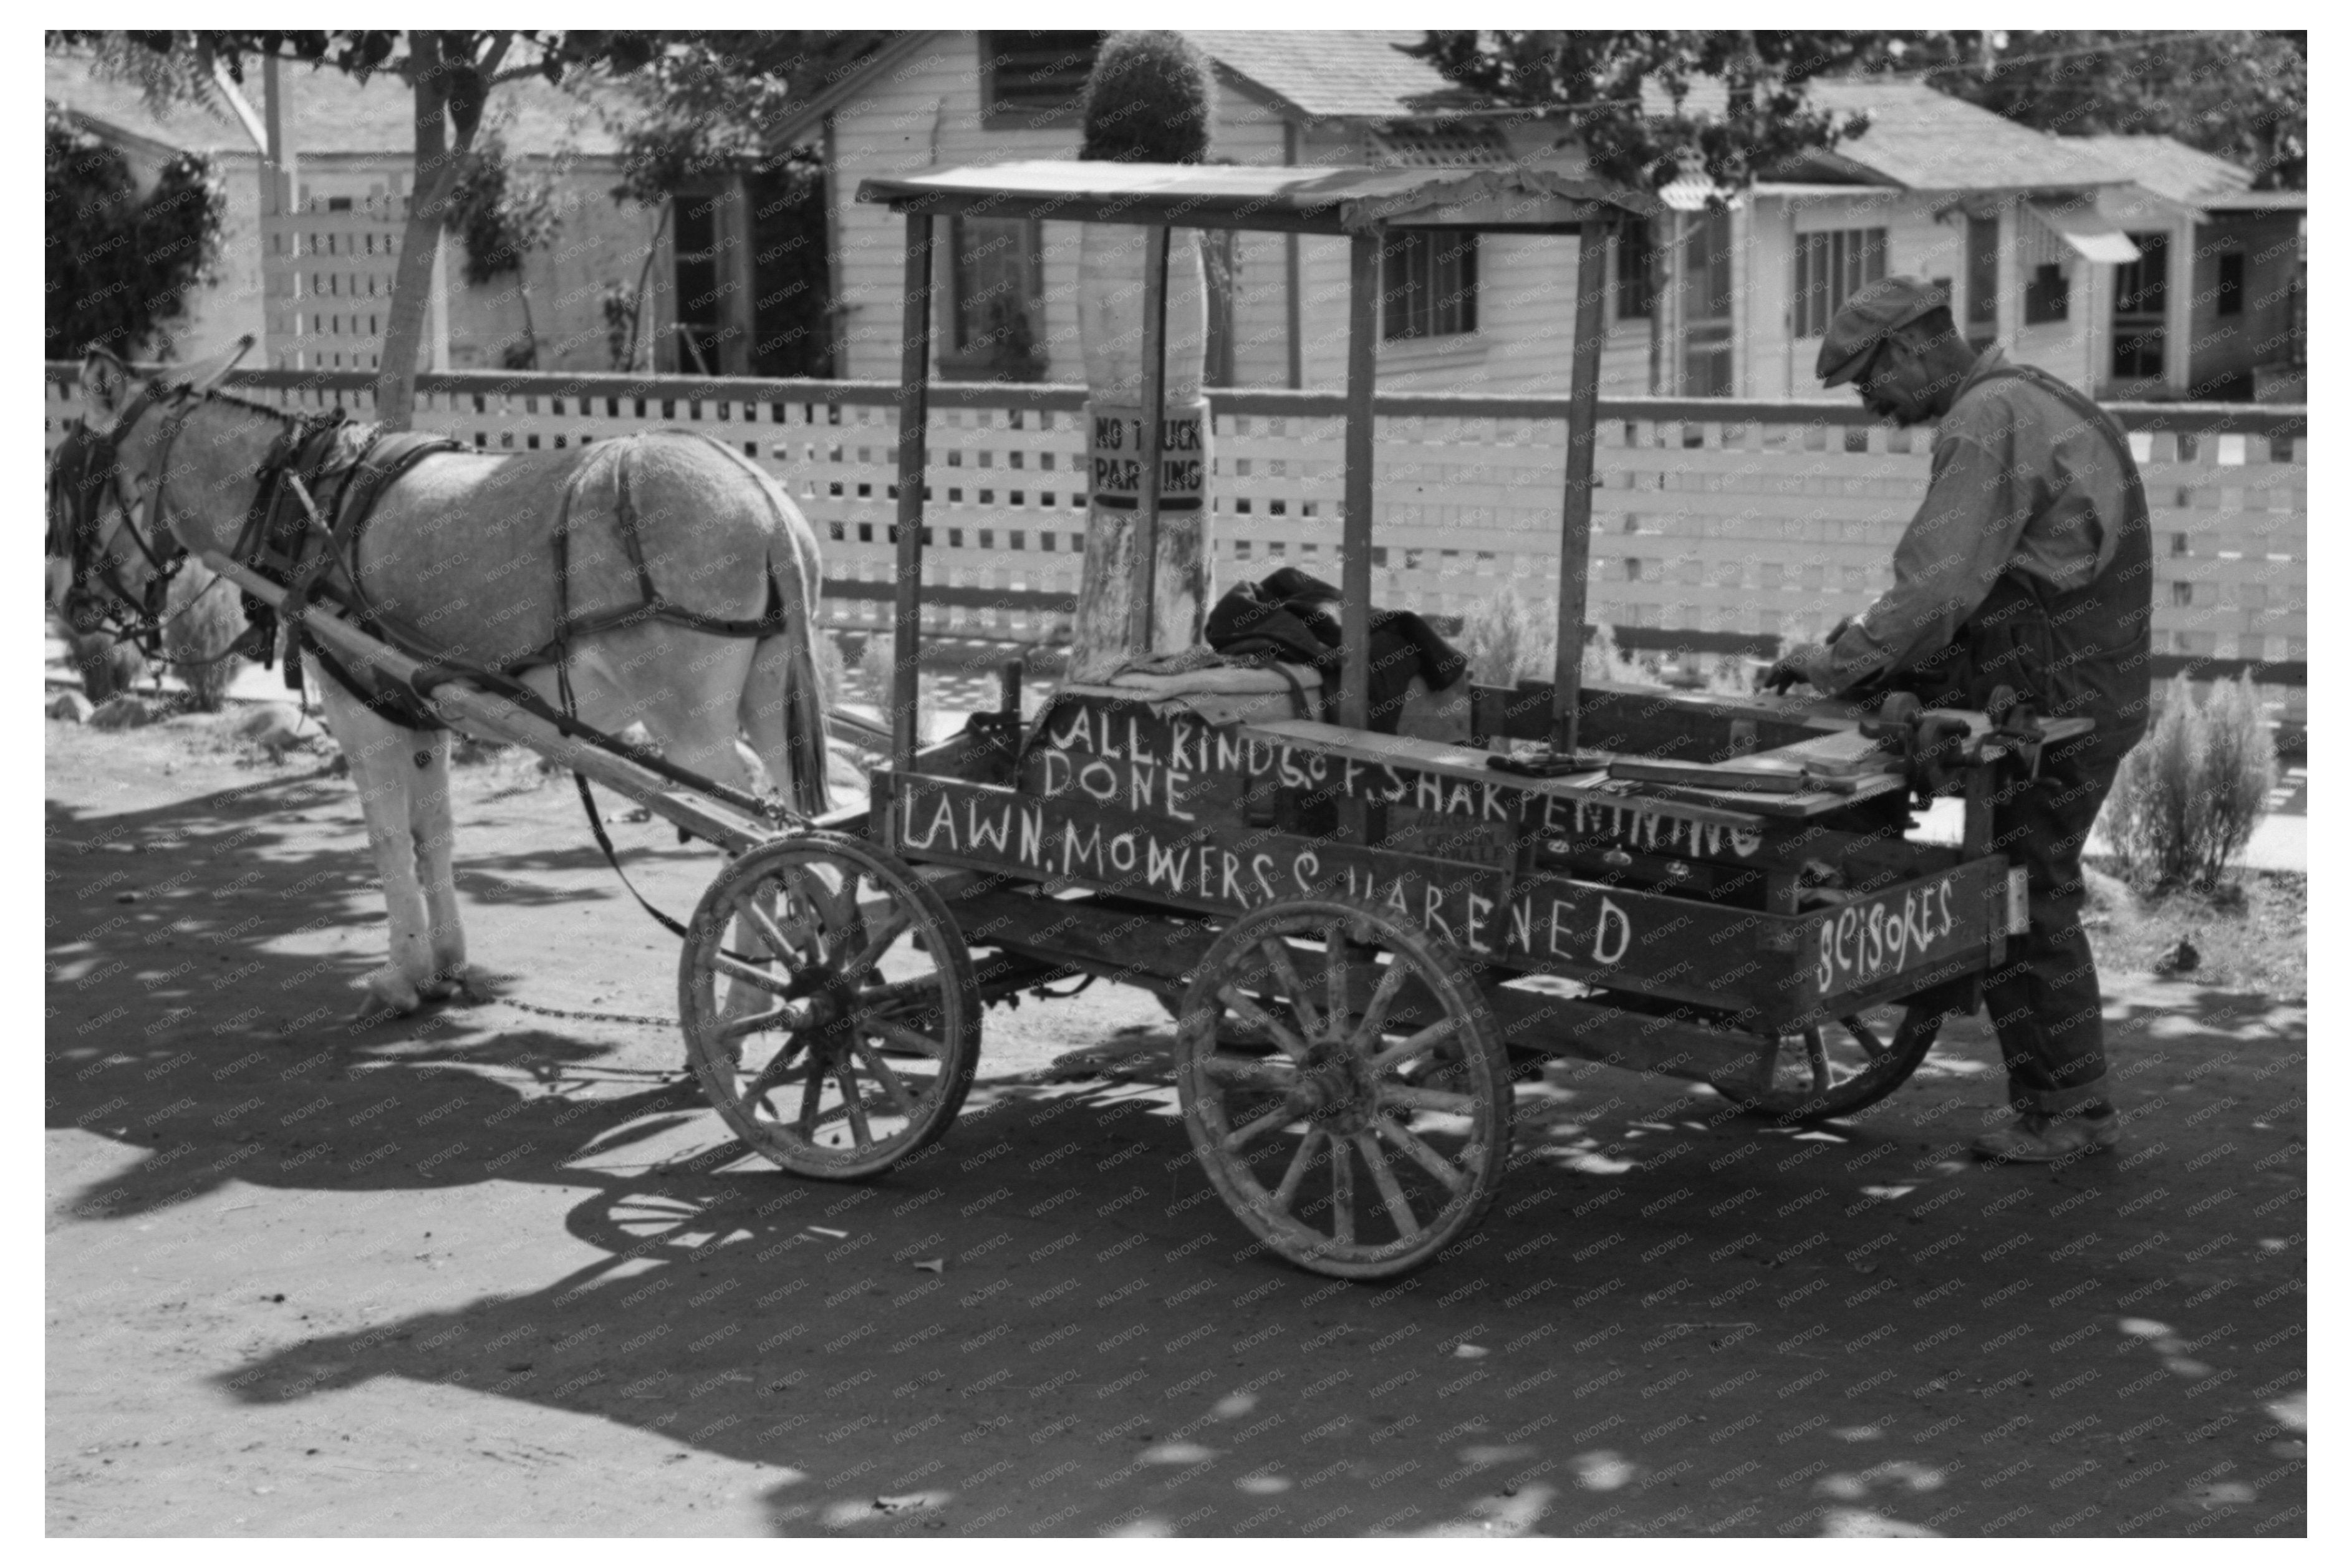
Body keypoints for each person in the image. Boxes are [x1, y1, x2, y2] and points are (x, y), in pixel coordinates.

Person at [1763, 276, 2154, 1163]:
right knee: (2031, 886)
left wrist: (1840, 662)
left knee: (2023, 891)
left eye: (1871, 384)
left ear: (1907, 349)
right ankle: (2068, 1103)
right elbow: (1966, 587)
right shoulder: (2041, 396)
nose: (1875, 407)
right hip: (2085, 686)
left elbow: (1936, 591)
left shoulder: (1985, 421)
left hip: (2056, 702)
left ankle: (2067, 1114)